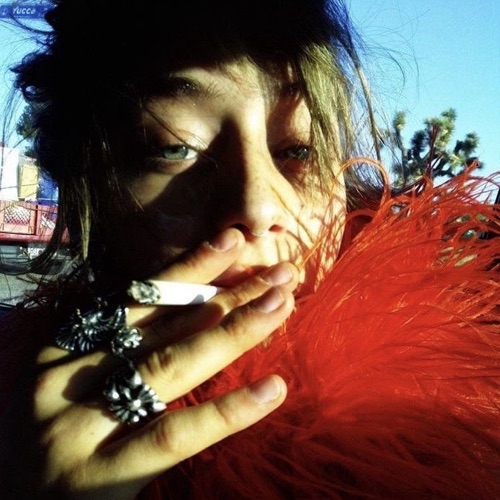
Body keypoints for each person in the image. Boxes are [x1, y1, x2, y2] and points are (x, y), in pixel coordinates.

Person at [0, 1, 498, 498]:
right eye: (176, 146)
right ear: (85, 190)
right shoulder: (14, 423)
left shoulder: (461, 417)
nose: (258, 207)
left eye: (299, 149)